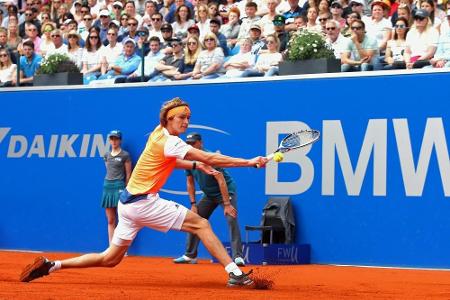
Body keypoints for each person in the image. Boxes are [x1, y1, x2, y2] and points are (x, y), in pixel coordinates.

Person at [20, 97, 267, 287]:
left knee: (110, 259)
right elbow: (211, 156)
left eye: (188, 117)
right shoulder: (171, 141)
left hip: (127, 205)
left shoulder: (158, 133)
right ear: (168, 119)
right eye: (181, 117)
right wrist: (248, 161)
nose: (186, 121)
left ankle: (54, 265)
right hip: (144, 203)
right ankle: (234, 272)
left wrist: (195, 164)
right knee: (201, 224)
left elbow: (171, 160)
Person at [173, 133, 245, 266]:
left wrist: (227, 204)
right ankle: (190, 255)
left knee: (231, 218)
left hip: (226, 191)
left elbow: (221, 181)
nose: (190, 146)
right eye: (188, 143)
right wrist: (193, 204)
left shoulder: (210, 158)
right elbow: (190, 182)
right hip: (209, 195)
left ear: (200, 143)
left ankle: (238, 257)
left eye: (193, 143)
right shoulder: (188, 159)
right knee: (194, 218)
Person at [101, 130, 132, 245]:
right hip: (107, 187)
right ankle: (111, 247)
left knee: (123, 220)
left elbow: (128, 174)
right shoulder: (106, 155)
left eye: (116, 139)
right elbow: (108, 171)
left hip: (120, 186)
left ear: (120, 140)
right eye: (112, 139)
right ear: (109, 140)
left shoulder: (125, 155)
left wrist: (126, 189)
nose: (114, 141)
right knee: (110, 220)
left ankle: (121, 247)